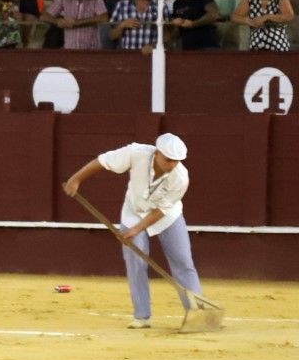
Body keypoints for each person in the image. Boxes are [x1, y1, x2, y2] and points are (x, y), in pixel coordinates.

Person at [62, 134, 201, 331]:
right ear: (157, 153)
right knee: (136, 262)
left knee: (182, 261)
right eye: (168, 159)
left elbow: (161, 210)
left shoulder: (181, 177)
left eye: (176, 161)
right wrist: (76, 179)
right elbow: (102, 161)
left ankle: (197, 312)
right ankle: (142, 316)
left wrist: (136, 230)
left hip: (168, 217)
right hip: (133, 213)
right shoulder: (136, 153)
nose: (172, 165)